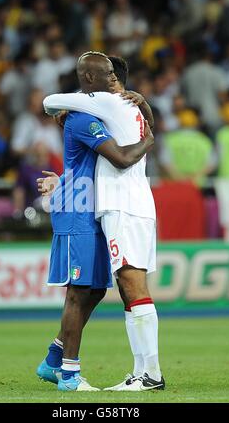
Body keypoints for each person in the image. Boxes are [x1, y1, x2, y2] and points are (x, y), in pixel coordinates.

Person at [41, 53, 164, 391]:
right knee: (113, 289)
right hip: (136, 204)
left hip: (121, 206)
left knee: (128, 286)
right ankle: (142, 372)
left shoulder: (107, 103)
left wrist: (80, 96)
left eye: (108, 75)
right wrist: (147, 114)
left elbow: (50, 102)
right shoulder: (134, 109)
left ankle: (149, 374)